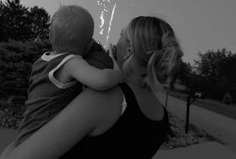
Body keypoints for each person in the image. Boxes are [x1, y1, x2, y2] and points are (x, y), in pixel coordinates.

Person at [1, 15, 183, 159]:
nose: (117, 39)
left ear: (129, 50)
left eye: (122, 34)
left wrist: (12, 147)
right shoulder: (161, 117)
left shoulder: (107, 98)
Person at [4, 5, 123, 150]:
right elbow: (101, 81)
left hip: (26, 131)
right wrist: (117, 73)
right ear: (88, 45)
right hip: (41, 137)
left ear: (50, 36)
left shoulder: (41, 61)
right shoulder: (71, 62)